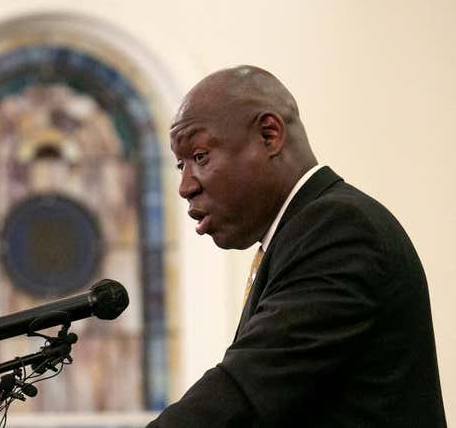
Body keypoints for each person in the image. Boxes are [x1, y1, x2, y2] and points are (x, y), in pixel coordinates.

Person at [147, 66, 446, 427]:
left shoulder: (340, 230)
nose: (185, 186)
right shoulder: (298, 235)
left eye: (199, 157)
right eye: (180, 165)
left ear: (269, 135)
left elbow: (244, 391)